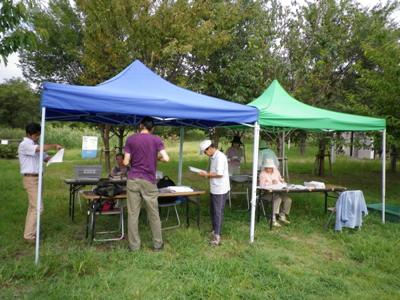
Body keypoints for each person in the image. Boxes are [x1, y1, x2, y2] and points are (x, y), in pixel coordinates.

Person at [123, 117, 169, 251]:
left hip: (133, 180)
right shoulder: (156, 140)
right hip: (149, 181)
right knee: (154, 214)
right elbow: (166, 158)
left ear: (140, 126)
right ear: (152, 128)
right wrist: (156, 157)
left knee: (132, 214)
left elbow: (125, 162)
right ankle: (158, 244)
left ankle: (134, 246)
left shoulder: (131, 139)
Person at [18, 122, 62, 243]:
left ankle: (30, 233)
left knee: (33, 207)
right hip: (30, 179)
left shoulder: (35, 145)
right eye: (36, 135)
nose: (37, 137)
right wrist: (54, 145)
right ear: (29, 134)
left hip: (38, 178)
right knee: (38, 208)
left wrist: (59, 155)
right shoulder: (24, 145)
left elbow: (46, 158)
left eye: (38, 135)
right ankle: (29, 236)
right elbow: (38, 149)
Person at [198, 140, 230, 246]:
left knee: (217, 212)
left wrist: (206, 174)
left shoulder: (220, 157)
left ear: (210, 148)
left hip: (220, 189)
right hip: (215, 188)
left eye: (205, 152)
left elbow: (219, 173)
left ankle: (217, 236)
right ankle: (215, 230)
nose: (204, 154)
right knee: (213, 210)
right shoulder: (213, 157)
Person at [259, 159, 292, 227]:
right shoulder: (262, 174)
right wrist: (271, 183)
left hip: (278, 192)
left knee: (288, 200)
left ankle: (282, 215)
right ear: (265, 167)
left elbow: (281, 181)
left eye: (270, 168)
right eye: (267, 168)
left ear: (272, 167)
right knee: (278, 199)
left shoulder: (276, 171)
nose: (268, 169)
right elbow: (262, 186)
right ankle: (273, 219)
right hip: (267, 193)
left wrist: (283, 184)